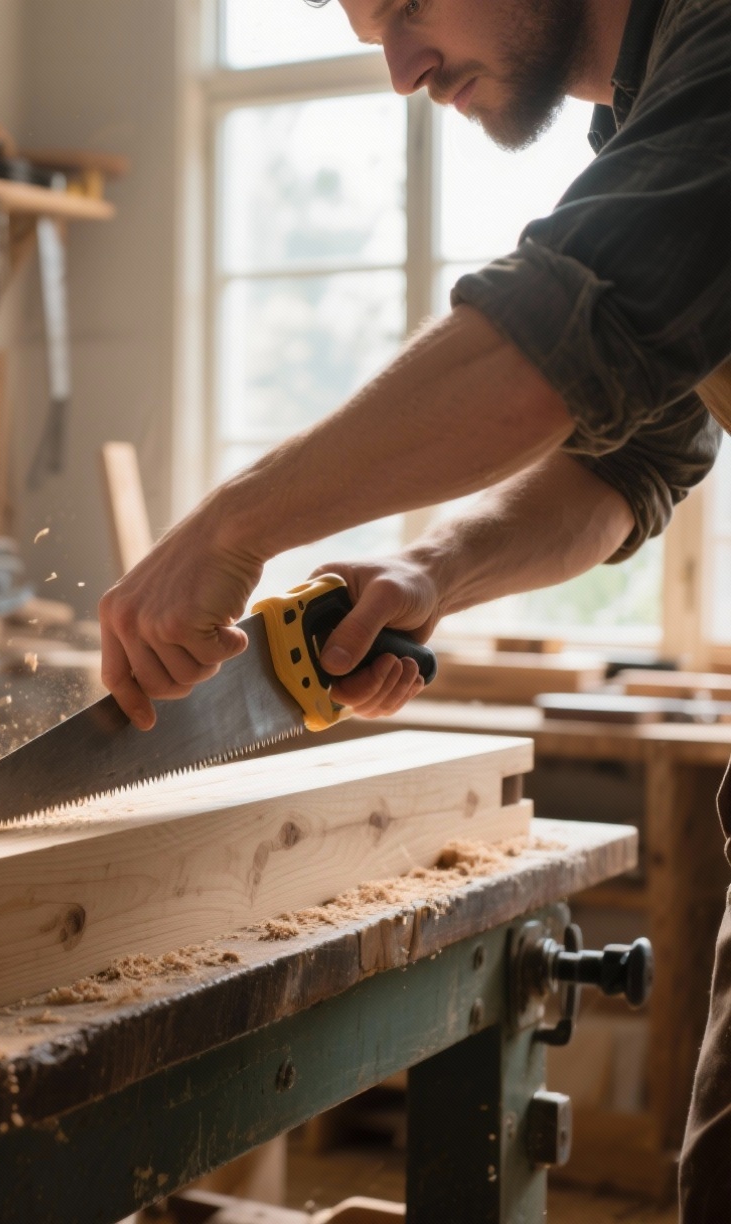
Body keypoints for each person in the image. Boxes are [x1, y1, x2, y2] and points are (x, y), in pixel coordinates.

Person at [96, 0, 731, 1215]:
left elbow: (546, 346)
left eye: (405, 6)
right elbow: (627, 465)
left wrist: (230, 526)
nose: (401, 69)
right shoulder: (649, 126)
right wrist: (432, 571)